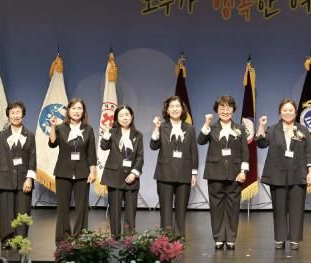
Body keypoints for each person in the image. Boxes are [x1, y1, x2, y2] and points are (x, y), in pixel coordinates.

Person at [256, 98, 311, 250]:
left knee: (297, 208)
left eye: (290, 110)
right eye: (285, 110)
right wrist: (261, 126)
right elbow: (261, 143)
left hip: (298, 173)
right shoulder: (273, 129)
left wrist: (310, 172)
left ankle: (294, 239)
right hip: (277, 175)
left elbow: (309, 152)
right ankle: (280, 238)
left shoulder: (303, 130)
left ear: (295, 112)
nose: (288, 113)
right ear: (280, 112)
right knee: (279, 208)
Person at [198, 96, 249, 250]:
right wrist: (206, 123)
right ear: (217, 110)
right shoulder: (212, 127)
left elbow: (245, 151)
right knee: (216, 207)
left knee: (233, 207)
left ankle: (231, 237)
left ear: (233, 110)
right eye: (222, 108)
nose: (225, 111)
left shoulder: (239, 128)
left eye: (228, 107)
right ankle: (219, 238)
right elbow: (200, 141)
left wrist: (244, 171)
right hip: (215, 172)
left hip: (235, 173)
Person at [48, 97, 97, 243]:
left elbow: (91, 153)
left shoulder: (88, 129)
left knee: (82, 206)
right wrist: (52, 127)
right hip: (63, 171)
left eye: (79, 108)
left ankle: (80, 236)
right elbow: (52, 143)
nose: (76, 111)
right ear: (68, 111)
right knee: (63, 206)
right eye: (74, 108)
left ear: (83, 111)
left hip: (82, 172)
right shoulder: (61, 128)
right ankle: (63, 236)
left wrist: (93, 171)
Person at [0, 101, 36, 248]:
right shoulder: (2, 135)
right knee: (6, 211)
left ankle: (20, 239)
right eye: (12, 113)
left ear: (23, 114)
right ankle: (7, 240)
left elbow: (33, 158)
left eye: (18, 112)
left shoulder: (30, 135)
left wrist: (29, 179)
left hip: (23, 178)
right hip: (6, 177)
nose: (15, 116)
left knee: (23, 210)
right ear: (8, 115)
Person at [150, 95, 198, 238]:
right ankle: (165, 239)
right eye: (172, 106)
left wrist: (194, 173)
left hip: (184, 173)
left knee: (181, 209)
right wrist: (156, 129)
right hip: (165, 173)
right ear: (167, 110)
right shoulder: (162, 127)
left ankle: (179, 238)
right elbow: (153, 146)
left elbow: (194, 152)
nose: (175, 109)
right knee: (165, 209)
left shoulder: (190, 129)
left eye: (178, 106)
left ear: (182, 109)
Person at [100, 105, 144, 237]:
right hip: (114, 176)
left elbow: (140, 157)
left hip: (131, 177)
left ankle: (129, 239)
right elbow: (104, 146)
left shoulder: (138, 135)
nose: (125, 118)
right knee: (114, 209)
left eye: (127, 115)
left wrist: (134, 173)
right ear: (116, 118)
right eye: (121, 115)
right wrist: (106, 133)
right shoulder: (112, 132)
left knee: (131, 211)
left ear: (132, 116)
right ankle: (115, 237)